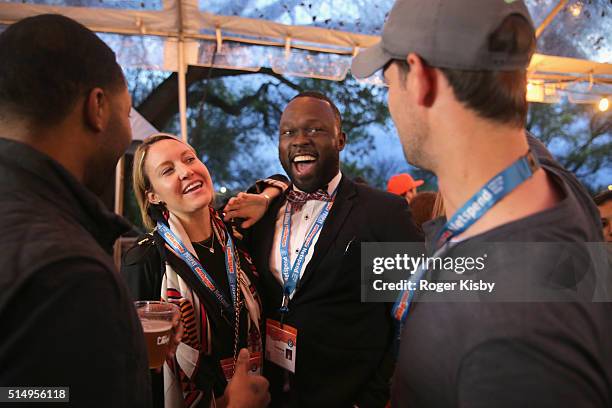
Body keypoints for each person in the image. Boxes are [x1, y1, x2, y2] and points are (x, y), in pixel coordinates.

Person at [352, 0, 612, 406]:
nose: (389, 101)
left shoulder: (514, 342)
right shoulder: (549, 179)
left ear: (420, 78)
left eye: (388, 82)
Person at [0, 14, 267, 408]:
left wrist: (123, 353)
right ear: (97, 108)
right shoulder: (71, 267)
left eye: (190, 158)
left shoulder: (239, 232)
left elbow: (30, 391)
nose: (128, 131)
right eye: (127, 115)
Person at [224, 91, 423, 407]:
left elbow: (416, 312)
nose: (299, 140)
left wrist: (375, 395)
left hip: (349, 396)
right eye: (288, 132)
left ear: (340, 140)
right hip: (273, 395)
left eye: (314, 129)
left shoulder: (381, 212)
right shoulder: (262, 215)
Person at [122, 134, 273, 408]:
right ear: (153, 195)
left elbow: (282, 181)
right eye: (167, 170)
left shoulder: (238, 236)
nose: (186, 171)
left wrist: (265, 197)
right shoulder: (144, 259)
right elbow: (136, 370)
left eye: (189, 159)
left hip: (259, 392)